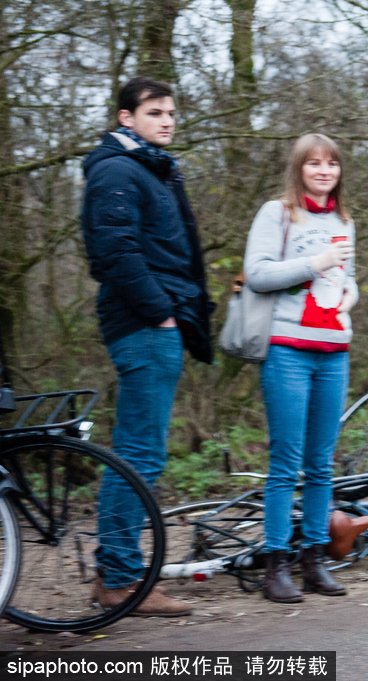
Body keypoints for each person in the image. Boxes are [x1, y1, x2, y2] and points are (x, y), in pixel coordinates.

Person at [81, 77, 214, 616]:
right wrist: (160, 312)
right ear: (125, 118)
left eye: (172, 113)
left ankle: (119, 572)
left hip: (159, 323)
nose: (167, 120)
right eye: (155, 111)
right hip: (145, 324)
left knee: (142, 450)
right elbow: (113, 252)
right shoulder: (117, 170)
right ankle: (118, 578)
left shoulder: (149, 168)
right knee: (138, 452)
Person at [244, 133, 358, 602]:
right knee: (286, 463)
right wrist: (315, 262)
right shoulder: (278, 214)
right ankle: (276, 566)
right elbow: (258, 273)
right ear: (299, 169)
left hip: (335, 351)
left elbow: (345, 279)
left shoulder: (345, 220)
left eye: (331, 163)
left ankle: (313, 560)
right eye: (314, 163)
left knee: (321, 463)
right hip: (287, 349)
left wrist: (352, 295)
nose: (324, 171)